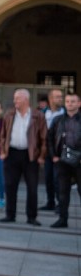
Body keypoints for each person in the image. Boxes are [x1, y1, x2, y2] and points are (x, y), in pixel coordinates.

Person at [0, 89, 47, 226]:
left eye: (17, 98)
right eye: (14, 98)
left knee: (32, 188)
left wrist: (42, 155)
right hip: (12, 154)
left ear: (26, 100)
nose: (15, 101)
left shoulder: (37, 116)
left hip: (30, 155)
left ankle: (31, 217)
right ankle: (10, 214)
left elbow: (44, 138)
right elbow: (2, 135)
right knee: (10, 186)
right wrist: (3, 151)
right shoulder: (9, 114)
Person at [47, 92, 80, 229]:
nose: (70, 104)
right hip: (62, 160)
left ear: (79, 103)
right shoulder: (57, 120)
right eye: (67, 101)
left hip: (79, 161)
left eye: (73, 101)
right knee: (62, 191)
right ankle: (62, 219)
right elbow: (49, 139)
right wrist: (53, 155)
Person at [40, 88, 65, 212]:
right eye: (57, 97)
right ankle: (50, 203)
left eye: (61, 97)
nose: (60, 99)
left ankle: (60, 205)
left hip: (59, 152)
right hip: (47, 151)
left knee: (58, 179)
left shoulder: (65, 114)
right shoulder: (43, 113)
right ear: (50, 99)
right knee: (48, 178)